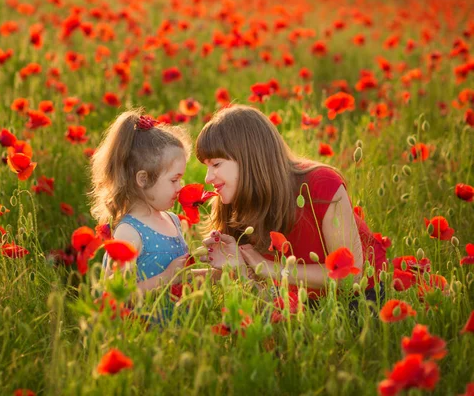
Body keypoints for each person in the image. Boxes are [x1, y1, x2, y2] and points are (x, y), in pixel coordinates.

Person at [196, 105, 387, 301]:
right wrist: (169, 278)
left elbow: (350, 276)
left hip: (358, 298)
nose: (208, 177)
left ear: (249, 158)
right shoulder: (232, 199)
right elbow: (252, 280)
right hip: (296, 300)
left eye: (216, 164)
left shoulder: (321, 184)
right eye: (207, 167)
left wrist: (266, 267)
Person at [89, 110, 193, 293]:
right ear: (143, 179)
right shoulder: (130, 231)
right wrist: (167, 277)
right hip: (144, 321)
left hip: (180, 321)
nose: (180, 187)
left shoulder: (173, 220)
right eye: (174, 180)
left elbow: (181, 275)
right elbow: (113, 293)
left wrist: (216, 269)